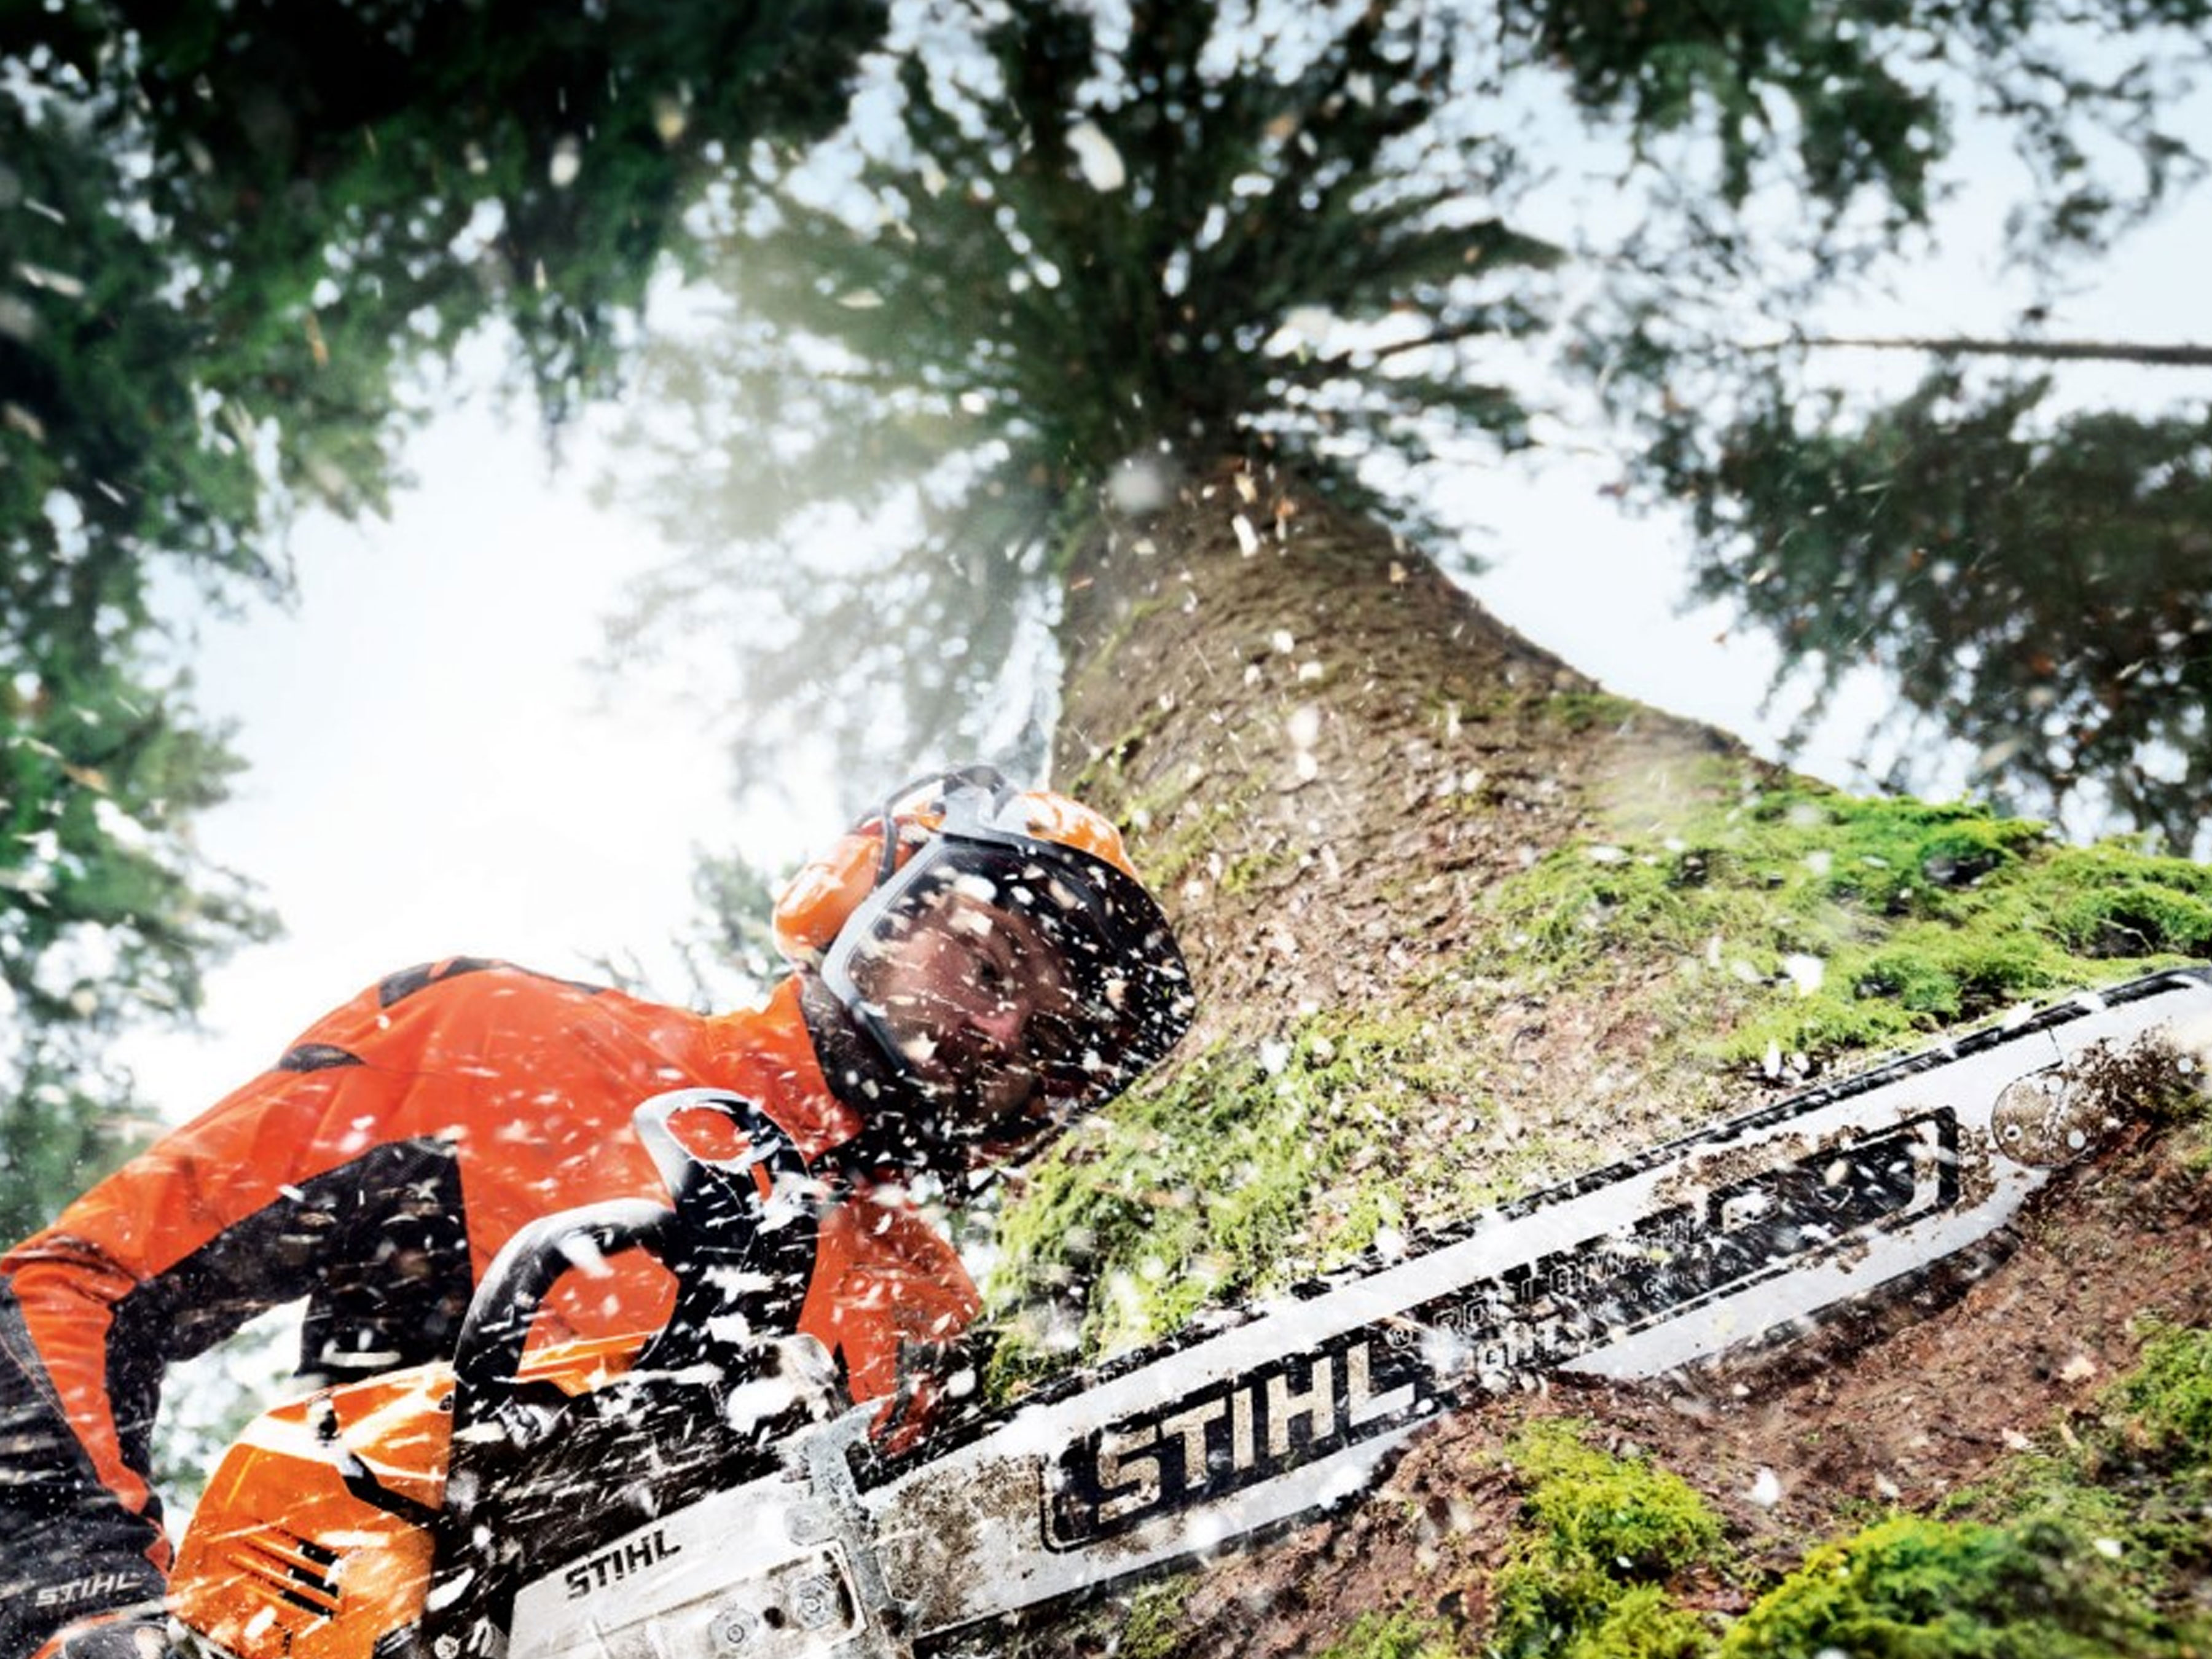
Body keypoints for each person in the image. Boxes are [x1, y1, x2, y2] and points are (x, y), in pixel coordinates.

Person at [0, 766, 1193, 1659]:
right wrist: (82, 1597)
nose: (997, 1037)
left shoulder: (927, 1305)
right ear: (863, 898)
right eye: (990, 973)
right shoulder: (496, 1044)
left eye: (1045, 1044)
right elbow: (73, 1288)